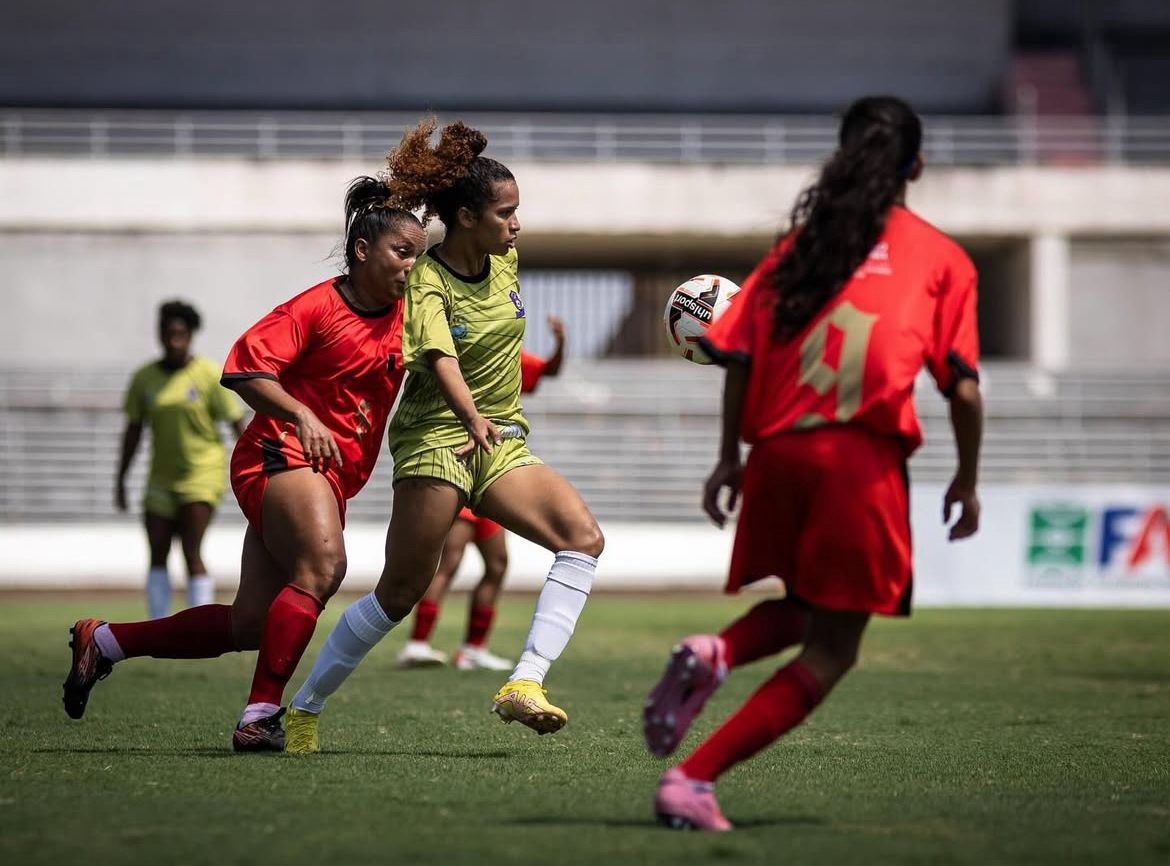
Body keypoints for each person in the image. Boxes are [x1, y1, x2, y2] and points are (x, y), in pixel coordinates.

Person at [643, 96, 984, 831]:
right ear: (915, 166)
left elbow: (734, 357)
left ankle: (718, 648)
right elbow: (964, 388)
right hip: (858, 459)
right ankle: (694, 780)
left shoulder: (796, 250)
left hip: (776, 452)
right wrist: (967, 476)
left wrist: (727, 461)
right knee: (835, 646)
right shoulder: (941, 257)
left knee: (804, 605)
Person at [62, 176, 427, 753]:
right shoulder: (316, 307)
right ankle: (259, 717)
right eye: (402, 252)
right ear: (363, 251)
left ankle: (104, 641)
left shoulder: (412, 314)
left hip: (330, 473)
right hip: (280, 452)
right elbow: (244, 368)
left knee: (251, 625)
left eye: (418, 254)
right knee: (324, 565)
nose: (412, 265)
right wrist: (303, 414)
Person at [284, 118, 604, 753]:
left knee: (583, 539)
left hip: (499, 440)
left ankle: (525, 682)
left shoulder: (505, 262)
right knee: (399, 592)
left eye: (517, 212)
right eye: (505, 213)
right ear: (464, 217)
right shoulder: (426, 280)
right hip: (437, 438)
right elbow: (438, 357)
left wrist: (491, 423)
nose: (516, 225)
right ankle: (303, 708)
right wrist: (469, 418)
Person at [397, 319, 567, 671]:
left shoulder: (508, 355)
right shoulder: (455, 353)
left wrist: (561, 342)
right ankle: (417, 643)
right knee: (451, 561)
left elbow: (547, 371)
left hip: (493, 469)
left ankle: (472, 649)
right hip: (459, 463)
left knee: (497, 564)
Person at [116, 300, 246, 618]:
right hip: (160, 477)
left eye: (181, 333)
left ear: (190, 335)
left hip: (202, 474)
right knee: (157, 551)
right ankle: (158, 626)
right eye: (168, 333)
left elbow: (237, 425)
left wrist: (250, 472)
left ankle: (197, 626)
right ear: (159, 335)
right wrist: (120, 479)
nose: (174, 340)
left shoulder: (207, 375)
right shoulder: (144, 378)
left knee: (191, 550)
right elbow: (133, 431)